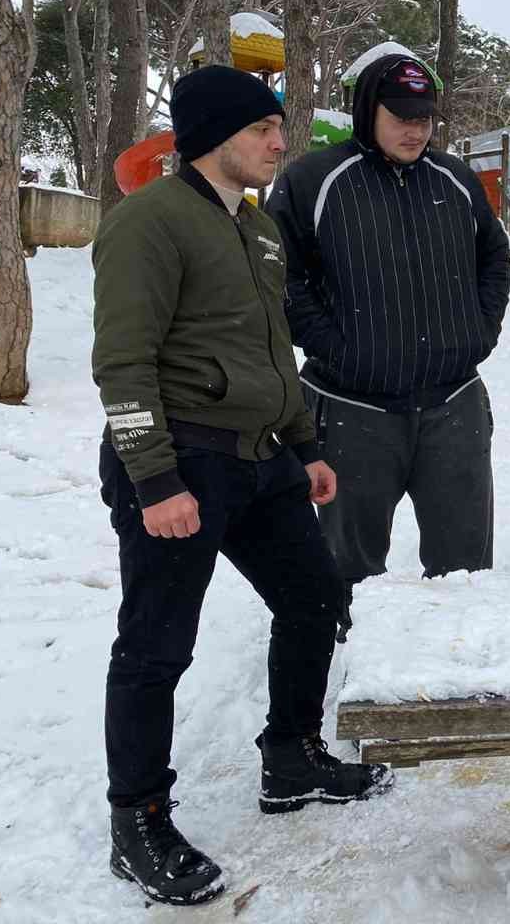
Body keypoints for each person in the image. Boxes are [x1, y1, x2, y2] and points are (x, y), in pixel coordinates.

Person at [92, 65, 392, 908]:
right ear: (217, 135)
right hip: (180, 464)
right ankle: (137, 819)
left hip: (260, 460)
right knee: (156, 646)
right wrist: (154, 481)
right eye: (264, 130)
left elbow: (272, 352)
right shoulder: (150, 221)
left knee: (314, 597)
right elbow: (122, 362)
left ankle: (291, 756)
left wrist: (303, 446)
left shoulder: (258, 230)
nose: (278, 143)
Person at [267, 52, 510, 638]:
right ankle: (345, 679)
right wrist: (332, 343)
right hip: (352, 411)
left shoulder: (454, 180)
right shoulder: (313, 180)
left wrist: (479, 330)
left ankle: (456, 680)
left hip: (454, 407)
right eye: (400, 115)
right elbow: (278, 273)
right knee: (345, 570)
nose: (415, 128)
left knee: (464, 571)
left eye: (424, 117)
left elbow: (494, 258)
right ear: (366, 111)